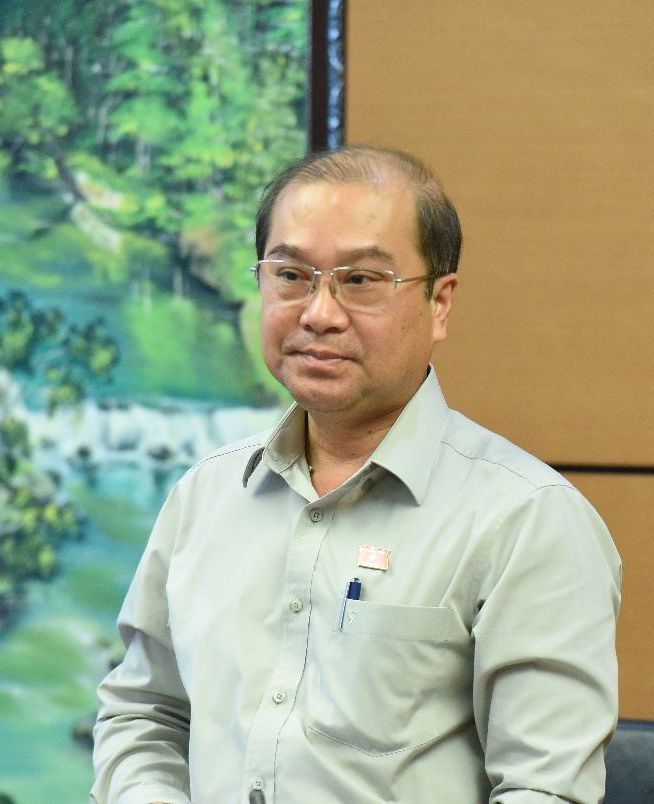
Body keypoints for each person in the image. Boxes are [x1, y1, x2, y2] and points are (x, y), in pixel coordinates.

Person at [91, 146, 622, 804]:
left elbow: (544, 791)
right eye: (291, 275)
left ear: (440, 303)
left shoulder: (527, 520)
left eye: (362, 280)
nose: (319, 313)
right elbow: (144, 715)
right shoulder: (206, 494)